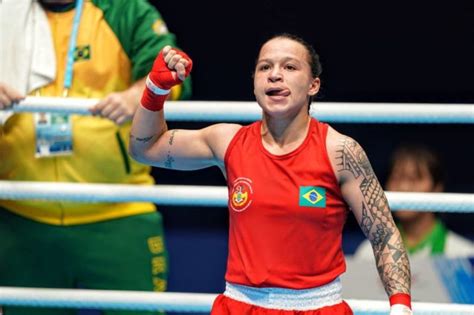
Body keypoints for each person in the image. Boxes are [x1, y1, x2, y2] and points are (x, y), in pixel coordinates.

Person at [129, 34, 412, 315]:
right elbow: (146, 148)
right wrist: (155, 89)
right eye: (265, 67)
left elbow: (384, 233)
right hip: (238, 306)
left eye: (289, 67)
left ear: (314, 85)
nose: (275, 75)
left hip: (317, 307)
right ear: (254, 83)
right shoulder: (228, 142)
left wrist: (401, 307)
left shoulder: (339, 151)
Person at [0, 1, 191, 314]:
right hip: (18, 216)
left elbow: (175, 73)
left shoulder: (125, 10)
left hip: (118, 212)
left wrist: (138, 95)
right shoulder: (4, 10)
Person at [353, 144, 474, 259]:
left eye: (414, 179)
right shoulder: (368, 253)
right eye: (396, 177)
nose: (403, 187)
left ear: (437, 188)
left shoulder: (464, 255)